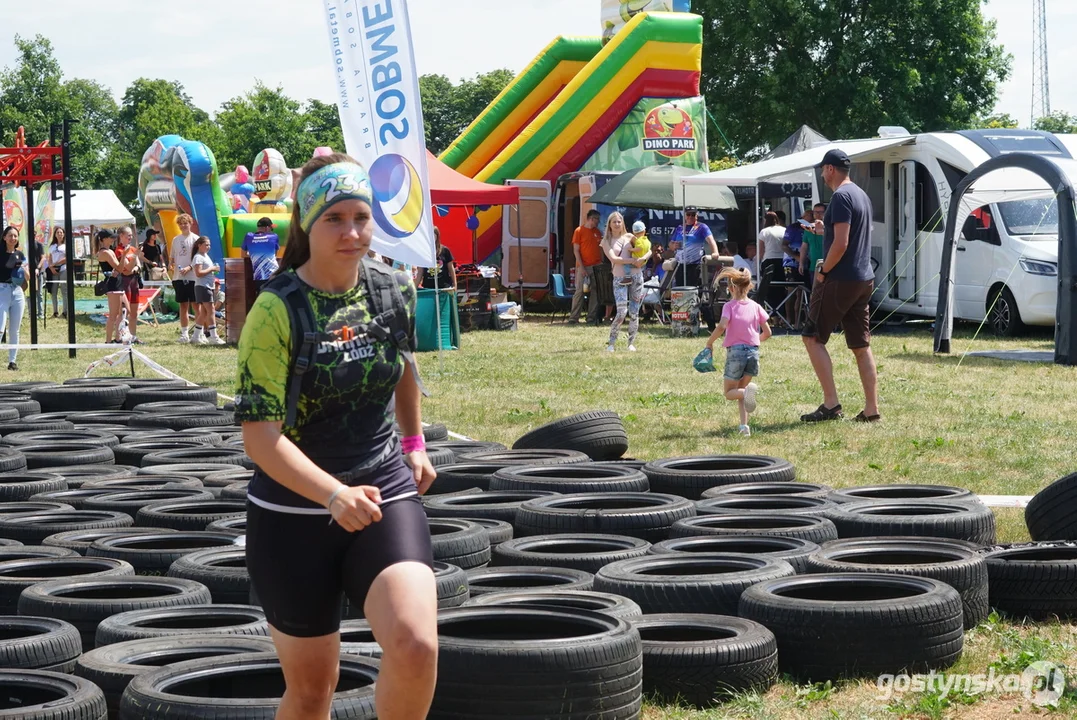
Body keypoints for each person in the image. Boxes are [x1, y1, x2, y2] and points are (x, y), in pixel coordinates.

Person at [236, 152, 438, 719]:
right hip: (293, 513)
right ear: (306, 222)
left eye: (361, 216)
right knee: (311, 691)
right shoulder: (275, 311)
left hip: (383, 492)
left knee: (417, 645)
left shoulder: (392, 288)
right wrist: (331, 494)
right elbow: (260, 439)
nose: (352, 232)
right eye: (334, 219)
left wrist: (415, 444)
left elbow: (401, 369)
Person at [801, 149, 880, 423]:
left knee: (812, 337)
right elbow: (850, 234)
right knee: (861, 344)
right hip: (863, 278)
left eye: (823, 169)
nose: (823, 174)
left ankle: (831, 404)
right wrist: (825, 229)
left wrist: (824, 269)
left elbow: (842, 243)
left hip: (841, 277)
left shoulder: (841, 197)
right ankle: (871, 410)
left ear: (830, 169)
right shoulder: (860, 194)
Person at [704, 267, 771, 437]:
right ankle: (744, 427)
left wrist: (709, 342)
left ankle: (747, 394)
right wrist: (755, 341)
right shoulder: (756, 306)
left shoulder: (729, 306)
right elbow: (768, 332)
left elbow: (722, 326)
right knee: (743, 390)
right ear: (749, 287)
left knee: (730, 393)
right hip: (753, 352)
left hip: (736, 353)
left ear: (731, 288)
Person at [603, 212, 649, 352]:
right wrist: (632, 261)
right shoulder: (606, 240)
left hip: (636, 276)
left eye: (619, 221)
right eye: (614, 222)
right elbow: (614, 259)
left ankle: (631, 343)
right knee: (621, 311)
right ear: (609, 224)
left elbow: (647, 249)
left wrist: (643, 259)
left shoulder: (630, 237)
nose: (617, 224)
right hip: (619, 278)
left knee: (634, 311)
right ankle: (611, 342)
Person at [567, 209, 603, 324]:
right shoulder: (579, 231)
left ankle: (591, 317)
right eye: (597, 219)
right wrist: (581, 267)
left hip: (596, 266)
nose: (598, 222)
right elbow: (576, 250)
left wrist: (601, 263)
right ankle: (574, 317)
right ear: (591, 219)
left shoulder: (597, 232)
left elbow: (600, 249)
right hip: (584, 266)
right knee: (580, 291)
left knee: (595, 291)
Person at [668, 206, 718, 288]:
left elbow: (711, 240)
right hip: (680, 264)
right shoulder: (680, 228)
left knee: (692, 288)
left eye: (693, 215)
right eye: (688, 214)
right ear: (685, 216)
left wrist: (715, 252)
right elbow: (670, 244)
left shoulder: (702, 227)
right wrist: (673, 246)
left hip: (695, 264)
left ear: (696, 216)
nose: (690, 217)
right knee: (679, 288)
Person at [0, 227, 27, 371]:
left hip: (17, 292)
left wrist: (26, 270)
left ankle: (12, 361)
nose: (13, 238)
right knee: (0, 327)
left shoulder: (20, 255)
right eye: (10, 235)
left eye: (15, 236)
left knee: (14, 329)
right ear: (4, 237)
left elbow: (25, 275)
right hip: (2, 290)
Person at [169, 214, 198, 343]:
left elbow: (199, 259)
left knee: (196, 305)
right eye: (181, 223)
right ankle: (184, 334)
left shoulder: (196, 239)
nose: (183, 226)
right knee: (183, 305)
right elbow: (172, 257)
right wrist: (170, 264)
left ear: (190, 224)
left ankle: (199, 333)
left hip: (193, 277)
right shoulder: (175, 239)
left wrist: (189, 268)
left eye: (185, 223)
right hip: (178, 277)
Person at [191, 236, 224, 345]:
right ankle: (213, 336)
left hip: (207, 286)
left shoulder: (205, 256)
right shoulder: (198, 257)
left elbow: (205, 272)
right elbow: (198, 273)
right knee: (211, 311)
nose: (208, 247)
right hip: (203, 286)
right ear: (199, 245)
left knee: (204, 312)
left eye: (209, 245)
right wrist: (212, 268)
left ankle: (196, 335)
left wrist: (213, 271)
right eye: (206, 245)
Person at [95, 229, 125, 344]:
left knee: (123, 310)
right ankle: (108, 340)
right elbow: (120, 268)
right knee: (113, 314)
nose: (113, 240)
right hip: (113, 285)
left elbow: (118, 269)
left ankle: (118, 337)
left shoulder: (110, 251)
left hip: (117, 282)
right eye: (111, 238)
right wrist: (124, 256)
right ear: (103, 239)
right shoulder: (105, 253)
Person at [116, 226, 142, 343]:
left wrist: (135, 266)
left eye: (131, 235)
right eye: (128, 235)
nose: (130, 237)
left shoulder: (132, 249)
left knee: (134, 312)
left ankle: (133, 335)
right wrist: (135, 261)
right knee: (125, 312)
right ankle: (122, 336)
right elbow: (127, 268)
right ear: (121, 236)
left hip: (134, 282)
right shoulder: (119, 250)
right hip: (125, 283)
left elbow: (138, 267)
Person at [242, 217, 281, 294]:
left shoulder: (248, 237)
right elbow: (275, 254)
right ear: (267, 228)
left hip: (259, 276)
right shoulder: (274, 236)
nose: (271, 231)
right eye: (271, 229)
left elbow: (243, 255)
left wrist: (254, 255)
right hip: (274, 274)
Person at [758, 211, 786, 306]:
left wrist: (759, 262)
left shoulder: (764, 231)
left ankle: (773, 313)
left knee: (769, 288)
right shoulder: (784, 230)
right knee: (782, 287)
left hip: (769, 261)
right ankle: (781, 312)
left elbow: (761, 251)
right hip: (783, 261)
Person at [800, 203, 827, 289]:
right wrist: (801, 263)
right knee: (815, 292)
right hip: (814, 266)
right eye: (816, 212)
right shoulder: (808, 228)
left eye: (821, 212)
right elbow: (804, 246)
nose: (818, 214)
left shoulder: (829, 227)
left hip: (827, 265)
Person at [46, 227, 67, 318]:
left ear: (64, 234)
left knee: (64, 291)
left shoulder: (66, 246)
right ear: (55, 234)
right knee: (53, 291)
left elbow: (67, 258)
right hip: (54, 270)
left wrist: (57, 263)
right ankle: (55, 312)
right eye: (58, 232)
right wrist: (51, 267)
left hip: (63, 269)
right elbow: (49, 258)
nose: (59, 234)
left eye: (61, 232)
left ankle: (65, 312)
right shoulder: (52, 246)